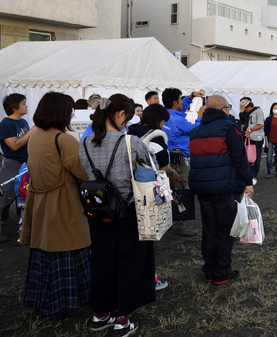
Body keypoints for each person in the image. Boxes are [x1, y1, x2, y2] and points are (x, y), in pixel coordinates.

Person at [79, 94, 156, 335]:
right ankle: (123, 319)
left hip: (97, 210)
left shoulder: (84, 143)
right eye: (127, 118)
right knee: (129, 262)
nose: (127, 123)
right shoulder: (131, 142)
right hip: (127, 210)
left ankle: (100, 314)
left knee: (101, 261)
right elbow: (150, 168)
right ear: (120, 114)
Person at [21, 92, 90, 317]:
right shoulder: (63, 139)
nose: (71, 114)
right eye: (69, 109)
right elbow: (83, 173)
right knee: (67, 253)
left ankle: (44, 301)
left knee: (45, 256)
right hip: (63, 204)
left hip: (40, 201)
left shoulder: (36, 136)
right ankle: (66, 304)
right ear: (61, 112)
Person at [188, 95, 253, 285]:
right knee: (225, 232)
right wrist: (247, 181)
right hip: (225, 187)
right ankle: (222, 271)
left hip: (202, 187)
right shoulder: (228, 127)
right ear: (223, 109)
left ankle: (209, 270)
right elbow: (239, 157)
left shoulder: (195, 131)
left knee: (209, 230)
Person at [127, 103, 178, 291]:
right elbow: (162, 166)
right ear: (159, 120)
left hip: (128, 190)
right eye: (163, 120)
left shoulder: (130, 131)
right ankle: (149, 278)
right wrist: (173, 174)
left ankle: (137, 277)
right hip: (148, 191)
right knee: (147, 234)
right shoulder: (156, 136)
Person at [162, 88, 205, 236]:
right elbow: (196, 130)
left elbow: (180, 111)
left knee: (169, 190)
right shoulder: (177, 120)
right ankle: (179, 224)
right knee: (182, 190)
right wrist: (200, 115)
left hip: (170, 158)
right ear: (175, 102)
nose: (183, 101)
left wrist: (191, 97)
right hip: (180, 161)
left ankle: (170, 221)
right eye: (181, 99)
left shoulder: (167, 115)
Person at [0, 93, 35, 241]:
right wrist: (33, 131)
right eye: (23, 103)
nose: (26, 106)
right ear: (14, 107)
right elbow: (14, 146)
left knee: (24, 198)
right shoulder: (6, 124)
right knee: (4, 198)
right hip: (12, 166)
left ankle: (24, 230)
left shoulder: (22, 122)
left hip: (25, 165)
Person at [243, 100, 264, 183]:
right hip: (249, 137)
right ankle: (250, 175)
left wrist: (250, 130)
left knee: (256, 158)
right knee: (249, 157)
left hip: (257, 138)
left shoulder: (258, 111)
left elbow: (260, 124)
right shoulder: (248, 113)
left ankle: (254, 176)